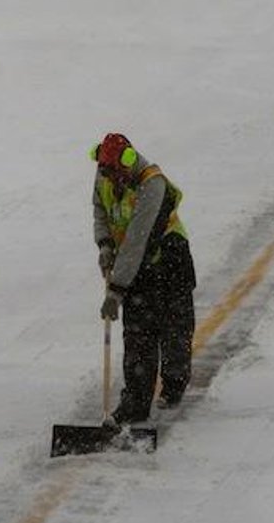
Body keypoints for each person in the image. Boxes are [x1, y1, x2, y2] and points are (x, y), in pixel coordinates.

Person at [90, 132, 197, 424]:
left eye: (114, 173)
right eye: (105, 172)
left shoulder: (153, 185)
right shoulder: (104, 175)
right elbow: (99, 210)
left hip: (170, 260)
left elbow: (137, 241)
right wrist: (104, 245)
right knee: (138, 334)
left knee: (174, 329)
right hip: (135, 265)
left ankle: (173, 384)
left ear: (127, 162)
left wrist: (115, 291)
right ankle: (135, 404)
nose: (109, 179)